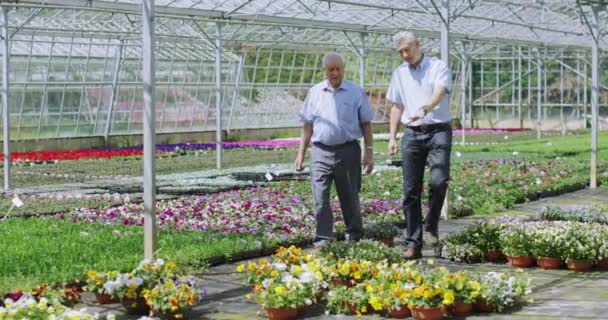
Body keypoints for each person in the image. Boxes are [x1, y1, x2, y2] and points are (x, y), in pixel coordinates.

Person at [295, 52, 375, 246]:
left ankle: (354, 237)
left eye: (338, 68)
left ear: (343, 69)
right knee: (320, 197)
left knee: (349, 197)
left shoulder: (355, 92)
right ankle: (323, 239)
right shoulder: (315, 92)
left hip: (348, 151)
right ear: (325, 70)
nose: (335, 73)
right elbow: (307, 125)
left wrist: (369, 152)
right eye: (331, 69)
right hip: (320, 151)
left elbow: (366, 124)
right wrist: (301, 153)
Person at [386, 31, 453, 259]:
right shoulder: (399, 73)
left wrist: (425, 108)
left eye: (408, 49)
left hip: (438, 130)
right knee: (410, 191)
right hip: (412, 134)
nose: (405, 55)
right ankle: (413, 242)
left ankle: (431, 225)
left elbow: (440, 92)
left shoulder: (437, 67)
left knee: (439, 180)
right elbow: (396, 106)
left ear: (418, 45)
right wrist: (393, 137)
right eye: (401, 52)